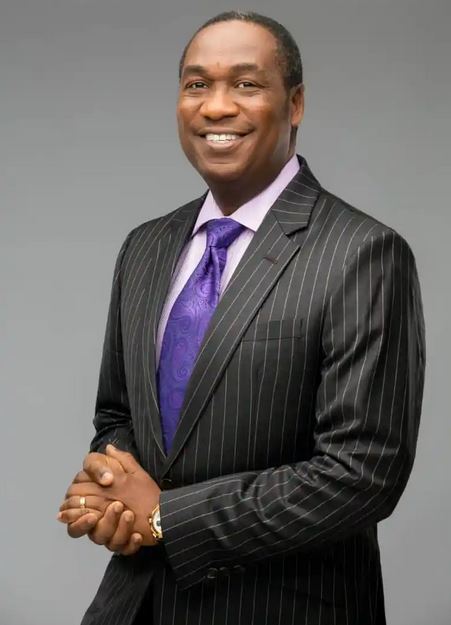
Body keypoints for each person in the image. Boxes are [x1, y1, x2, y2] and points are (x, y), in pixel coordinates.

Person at [57, 10, 425, 625]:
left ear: (295, 103)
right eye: (197, 84)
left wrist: (164, 517)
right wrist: (111, 489)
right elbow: (117, 416)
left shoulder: (362, 253)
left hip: (282, 607)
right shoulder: (144, 247)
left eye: (246, 84)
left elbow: (362, 473)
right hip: (134, 604)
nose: (216, 106)